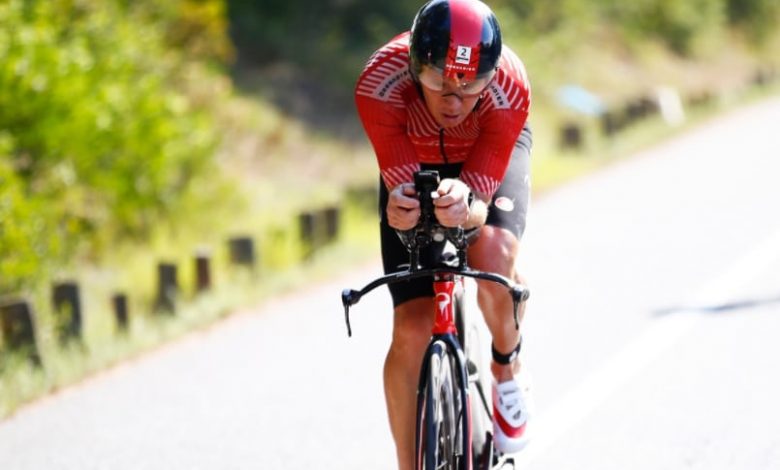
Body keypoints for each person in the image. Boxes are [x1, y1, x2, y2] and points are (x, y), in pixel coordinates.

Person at [354, 0, 533, 467]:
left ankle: (506, 365)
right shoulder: (380, 84)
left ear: (489, 76)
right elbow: (400, 189)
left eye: (470, 85)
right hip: (415, 159)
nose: (453, 101)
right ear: (415, 68)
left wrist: (469, 205)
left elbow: (477, 206)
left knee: (492, 252)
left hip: (488, 154)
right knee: (411, 328)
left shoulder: (509, 88)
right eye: (438, 82)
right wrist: (400, 208)